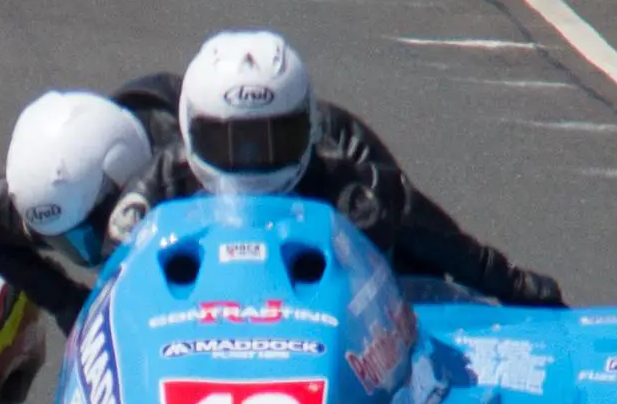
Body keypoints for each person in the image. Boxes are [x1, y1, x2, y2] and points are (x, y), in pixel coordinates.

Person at [126, 30, 567, 305]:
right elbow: (111, 283)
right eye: (228, 141)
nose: (252, 158)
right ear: (189, 128)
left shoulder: (351, 184)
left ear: (309, 125)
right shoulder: (162, 183)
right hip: (193, 328)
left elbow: (446, 244)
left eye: (275, 138)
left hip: (321, 327)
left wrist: (513, 284)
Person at [0, 87, 170, 330]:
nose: (93, 250)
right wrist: (66, 302)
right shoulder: (61, 207)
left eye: (91, 231)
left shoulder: (187, 162)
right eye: (64, 241)